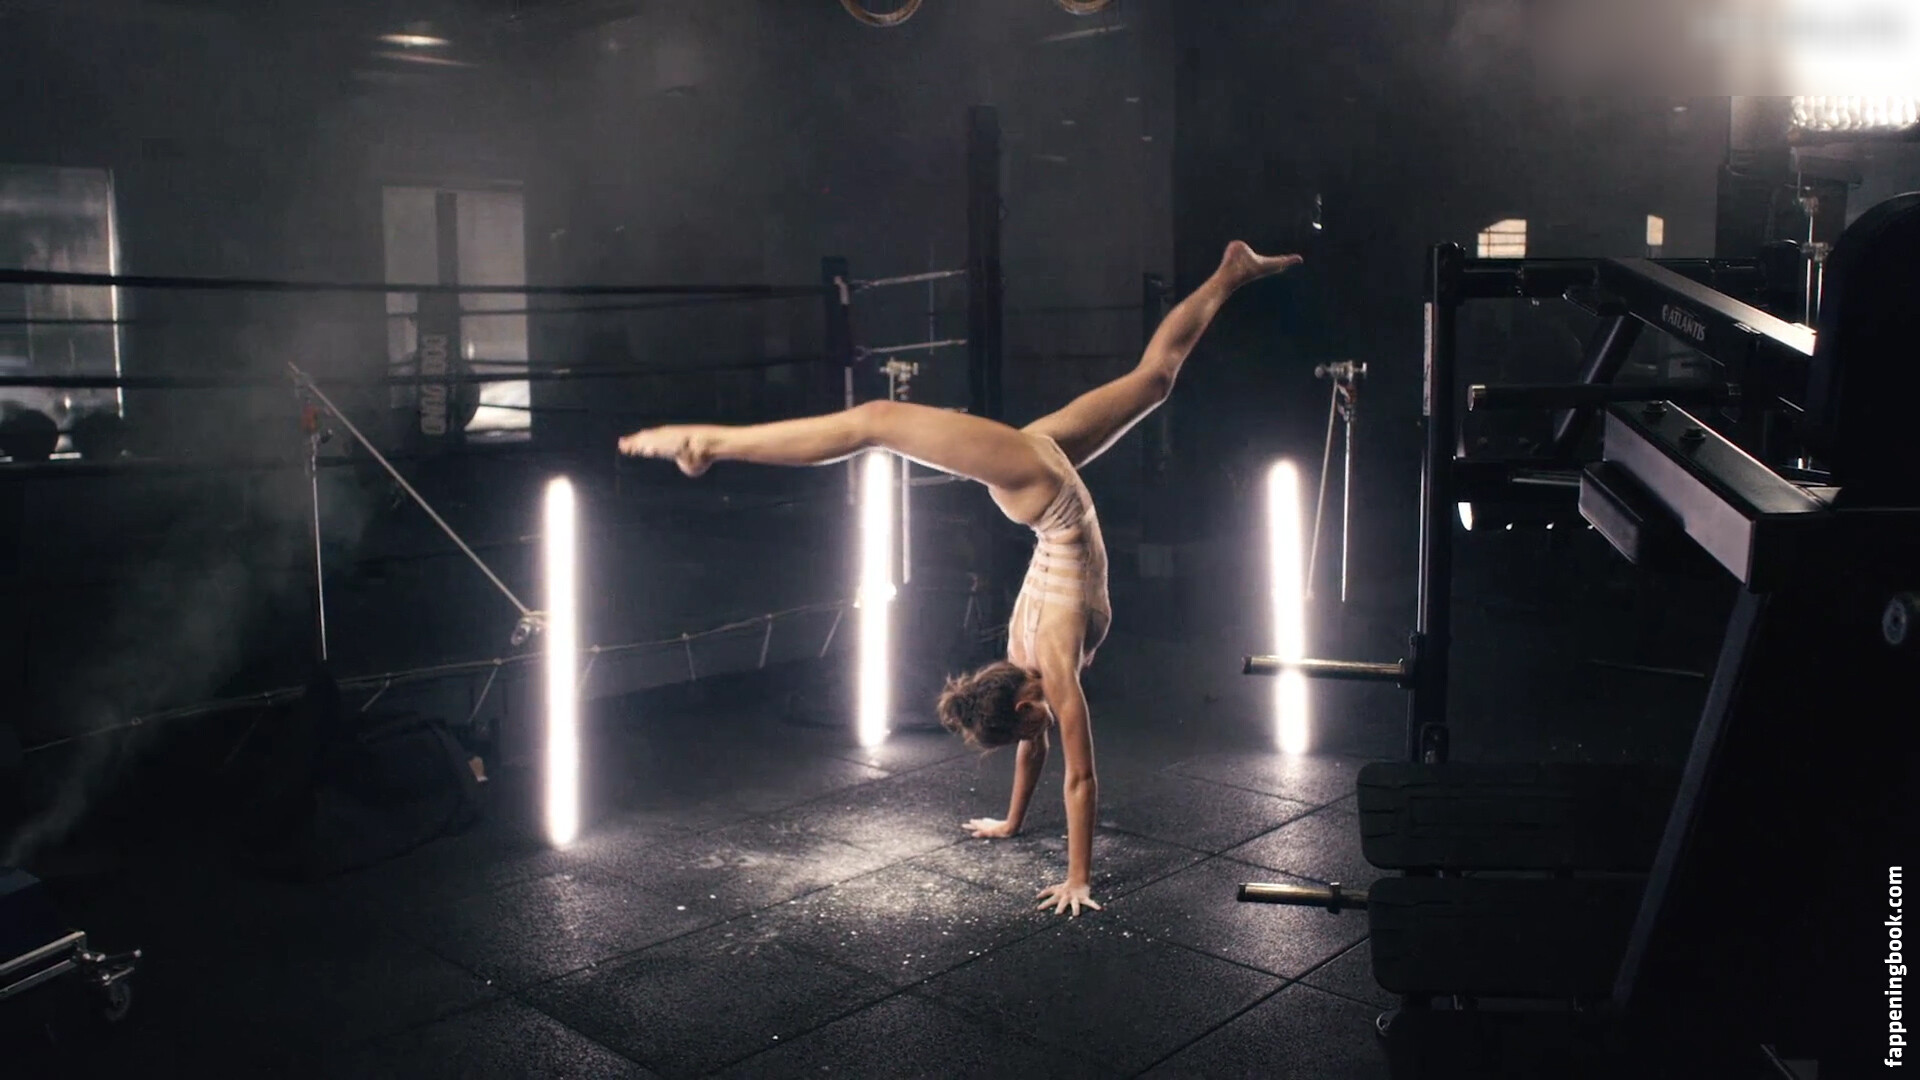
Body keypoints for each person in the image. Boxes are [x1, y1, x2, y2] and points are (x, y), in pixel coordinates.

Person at [620, 241, 1303, 916]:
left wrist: (1078, 879)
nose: (1038, 732)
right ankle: (1231, 271)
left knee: (874, 423)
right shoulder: (1021, 670)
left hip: (1040, 488)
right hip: (1046, 475)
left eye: (1029, 724)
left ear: (1025, 701)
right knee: (1155, 380)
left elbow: (1082, 778)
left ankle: (711, 443)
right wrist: (1010, 821)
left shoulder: (1054, 667)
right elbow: (1034, 749)